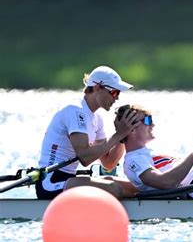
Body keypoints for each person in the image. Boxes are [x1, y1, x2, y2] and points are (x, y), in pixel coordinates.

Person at [35, 66, 140, 199]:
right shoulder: (74, 110)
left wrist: (124, 135)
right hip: (50, 183)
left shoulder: (97, 119)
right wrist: (118, 134)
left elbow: (108, 163)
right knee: (112, 188)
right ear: (97, 88)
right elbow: (84, 157)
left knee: (131, 186)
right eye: (114, 92)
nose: (117, 98)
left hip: (69, 180)